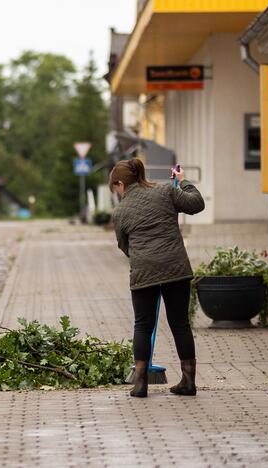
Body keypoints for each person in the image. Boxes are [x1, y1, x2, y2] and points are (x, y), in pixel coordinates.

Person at [110, 158, 205, 398]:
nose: (117, 193)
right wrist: (183, 183)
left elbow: (124, 245)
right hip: (176, 267)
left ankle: (140, 384)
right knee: (180, 323)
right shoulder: (166, 191)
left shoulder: (120, 211)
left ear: (121, 183)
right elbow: (196, 205)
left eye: (116, 188)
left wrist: (143, 257)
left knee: (143, 325)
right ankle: (188, 381)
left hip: (143, 272)